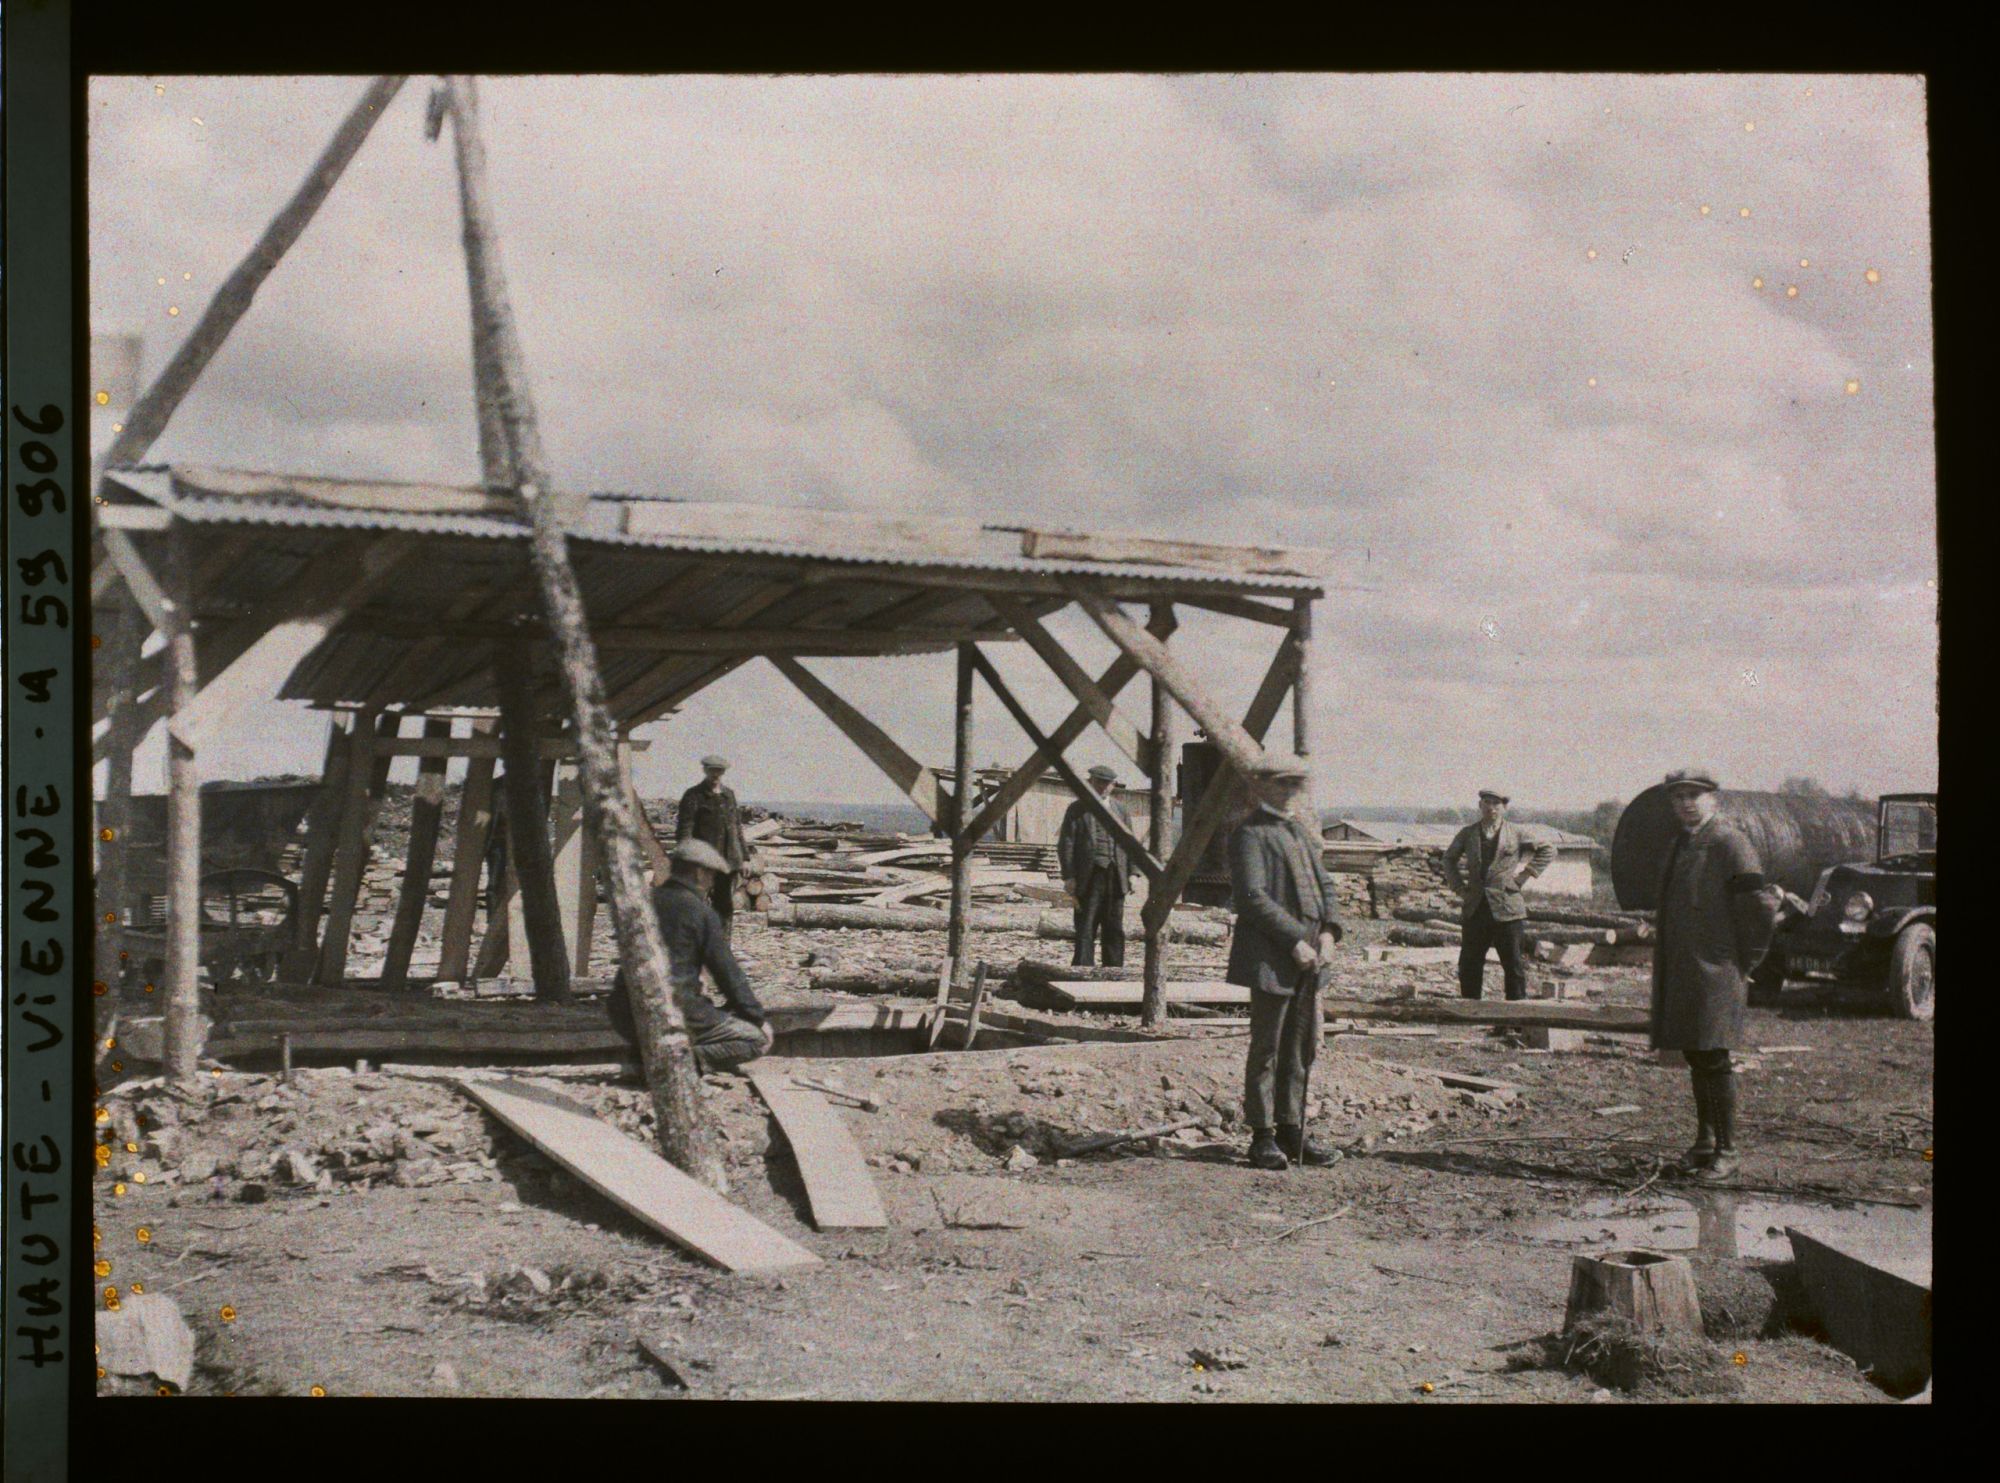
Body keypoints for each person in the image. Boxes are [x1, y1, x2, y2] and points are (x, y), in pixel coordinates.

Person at [1650, 769, 1783, 1182]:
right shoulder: (1681, 843)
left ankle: (1728, 1151)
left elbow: (1760, 907)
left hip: (1717, 968)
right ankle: (1705, 1142)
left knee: (1715, 1056)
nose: (1686, 803)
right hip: (1684, 967)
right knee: (1696, 1053)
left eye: (1695, 795)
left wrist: (1748, 960)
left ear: (1714, 799)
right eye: (1679, 797)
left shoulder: (1729, 841)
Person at [1225, 755, 1344, 1171]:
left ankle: (1292, 1131)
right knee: (1268, 1047)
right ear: (1261, 787)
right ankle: (1262, 1138)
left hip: (1311, 955)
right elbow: (1253, 898)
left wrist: (1329, 931)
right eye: (1283, 785)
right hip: (1272, 956)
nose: (1292, 792)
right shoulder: (1250, 834)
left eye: (1297, 785)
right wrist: (1294, 939)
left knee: (1299, 1047)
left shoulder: (1299, 832)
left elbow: (1325, 885)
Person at [606, 838, 773, 1074]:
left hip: (623, 1013)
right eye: (712, 875)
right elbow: (729, 976)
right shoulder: (700, 912)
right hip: (672, 1014)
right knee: (755, 1040)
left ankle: (644, 1057)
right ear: (699, 872)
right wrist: (757, 1018)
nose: (712, 881)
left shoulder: (644, 902)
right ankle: (674, 1064)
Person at [1441, 789, 1556, 1001]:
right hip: (1476, 906)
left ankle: (1514, 1015)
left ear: (1504, 808)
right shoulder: (1468, 833)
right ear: (1480, 806)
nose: (1491, 807)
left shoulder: (1516, 832)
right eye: (1486, 802)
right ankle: (1471, 1009)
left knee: (1513, 963)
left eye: (1496, 803)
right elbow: (1449, 859)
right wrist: (1458, 887)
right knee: (1469, 962)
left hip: (1507, 907)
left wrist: (1524, 876)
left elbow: (1548, 850)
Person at [1058, 763, 1137, 968]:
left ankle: (1114, 972)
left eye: (1107, 783)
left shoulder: (1121, 810)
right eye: (1099, 782)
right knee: (1086, 926)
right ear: (1090, 782)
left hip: (1116, 875)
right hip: (1088, 876)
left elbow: (1130, 844)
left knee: (1114, 927)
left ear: (1113, 785)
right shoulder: (1077, 809)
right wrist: (1069, 876)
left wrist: (1132, 874)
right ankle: (1083, 972)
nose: (1103, 787)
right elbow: (1066, 843)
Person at [676, 754, 749, 937]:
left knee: (724, 905)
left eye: (719, 770)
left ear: (723, 772)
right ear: (705, 770)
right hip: (704, 860)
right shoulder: (694, 795)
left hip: (729, 860)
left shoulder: (728, 795)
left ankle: (722, 945)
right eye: (712, 770)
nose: (716, 774)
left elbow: (737, 828)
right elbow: (685, 829)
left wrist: (745, 857)